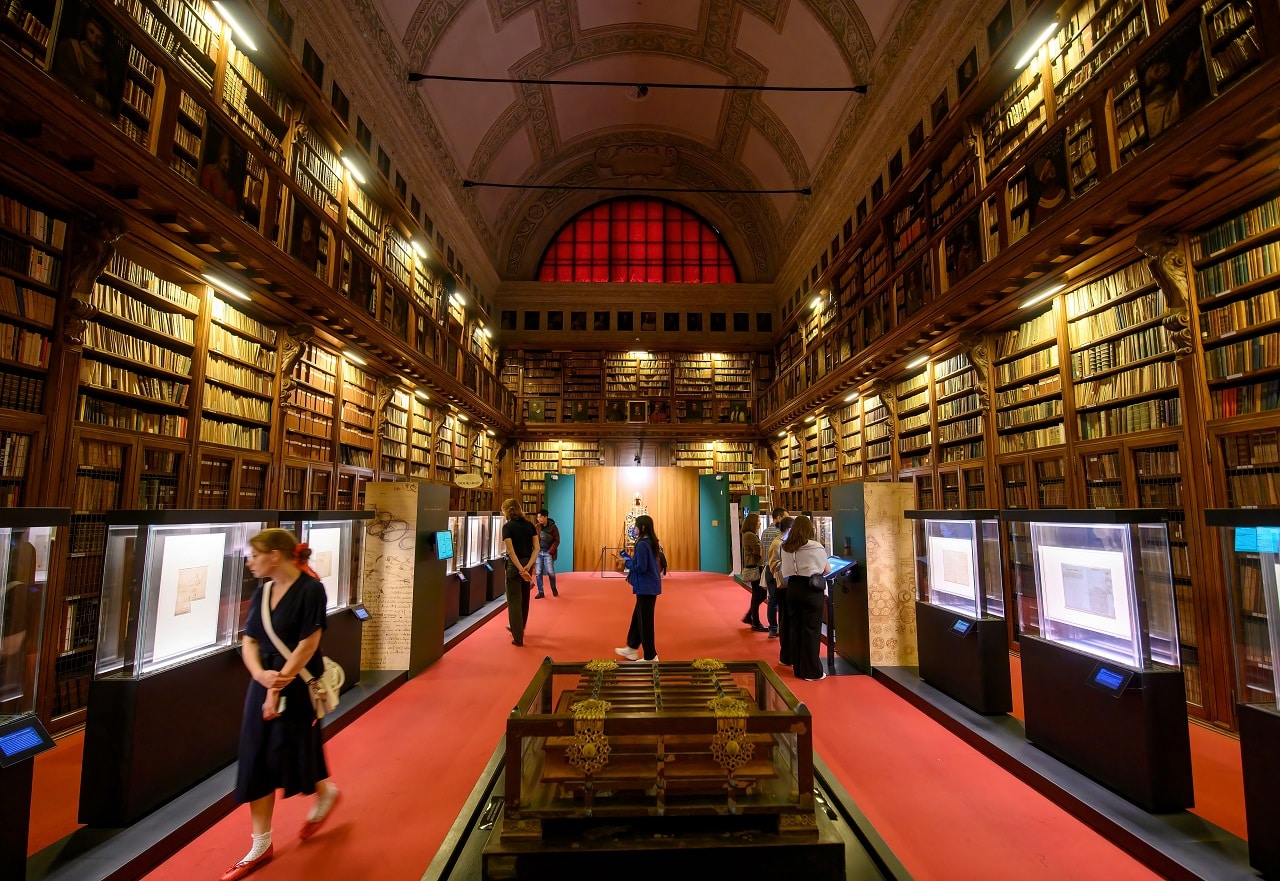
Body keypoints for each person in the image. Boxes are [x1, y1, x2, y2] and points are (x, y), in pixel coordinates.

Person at [225, 528, 339, 881]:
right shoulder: (262, 593)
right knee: (256, 753)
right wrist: (261, 677)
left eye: (254, 555)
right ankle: (260, 843)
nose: (250, 562)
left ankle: (324, 792)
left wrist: (280, 683)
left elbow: (309, 643)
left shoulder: (311, 590)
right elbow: (250, 640)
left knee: (293, 748)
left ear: (275, 555)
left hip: (298, 681)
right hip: (264, 682)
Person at [779, 515, 830, 682]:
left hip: (793, 588)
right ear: (810, 529)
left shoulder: (786, 547)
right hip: (810, 589)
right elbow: (826, 569)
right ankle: (812, 671)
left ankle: (798, 668)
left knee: (795, 628)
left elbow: (784, 570)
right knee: (811, 630)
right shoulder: (816, 547)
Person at [614, 514, 661, 662]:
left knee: (645, 622)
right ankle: (632, 648)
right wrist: (629, 559)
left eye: (635, 526)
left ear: (642, 527)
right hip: (648, 587)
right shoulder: (650, 542)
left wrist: (625, 562)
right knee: (638, 618)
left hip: (645, 587)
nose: (633, 529)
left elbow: (641, 567)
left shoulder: (642, 544)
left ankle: (651, 656)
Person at [51, 14, 114, 113]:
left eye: (99, 38)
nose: (93, 40)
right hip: (61, 99)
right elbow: (62, 75)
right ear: (85, 28)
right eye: (91, 32)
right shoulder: (70, 46)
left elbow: (107, 104)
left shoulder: (103, 65)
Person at [501, 498, 538, 646]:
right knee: (525, 599)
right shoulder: (530, 525)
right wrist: (528, 566)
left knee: (514, 600)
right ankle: (520, 627)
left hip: (514, 566)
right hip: (527, 563)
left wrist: (520, 568)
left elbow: (511, 551)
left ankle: (518, 637)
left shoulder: (507, 527)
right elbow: (537, 548)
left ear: (507, 511)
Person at [759, 507, 789, 638]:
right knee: (782, 599)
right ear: (779, 518)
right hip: (779, 570)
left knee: (772, 599)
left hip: (767, 568)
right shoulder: (783, 533)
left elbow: (761, 551)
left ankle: (772, 628)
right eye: (786, 517)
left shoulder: (765, 531)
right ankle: (783, 628)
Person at [768, 516, 794, 661]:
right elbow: (773, 566)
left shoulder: (785, 542)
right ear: (789, 529)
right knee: (784, 619)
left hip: (788, 585)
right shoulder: (778, 543)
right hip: (782, 585)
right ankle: (785, 654)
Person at [739, 512, 767, 632]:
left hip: (754, 565)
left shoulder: (749, 534)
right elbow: (758, 551)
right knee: (758, 594)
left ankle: (750, 617)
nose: (760, 523)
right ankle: (754, 621)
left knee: (759, 594)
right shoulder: (750, 535)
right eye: (758, 521)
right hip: (755, 566)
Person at [202, 136, 240, 211]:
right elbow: (204, 197)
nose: (227, 166)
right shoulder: (209, 171)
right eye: (225, 161)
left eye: (230, 163)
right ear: (220, 158)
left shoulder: (231, 191)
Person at [533, 508, 559, 599]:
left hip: (548, 553)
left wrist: (551, 551)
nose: (538, 519)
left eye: (540, 517)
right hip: (538, 552)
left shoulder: (553, 527)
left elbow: (556, 540)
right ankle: (541, 592)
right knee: (538, 573)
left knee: (550, 572)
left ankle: (553, 588)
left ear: (545, 517)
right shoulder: (537, 527)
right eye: (537, 517)